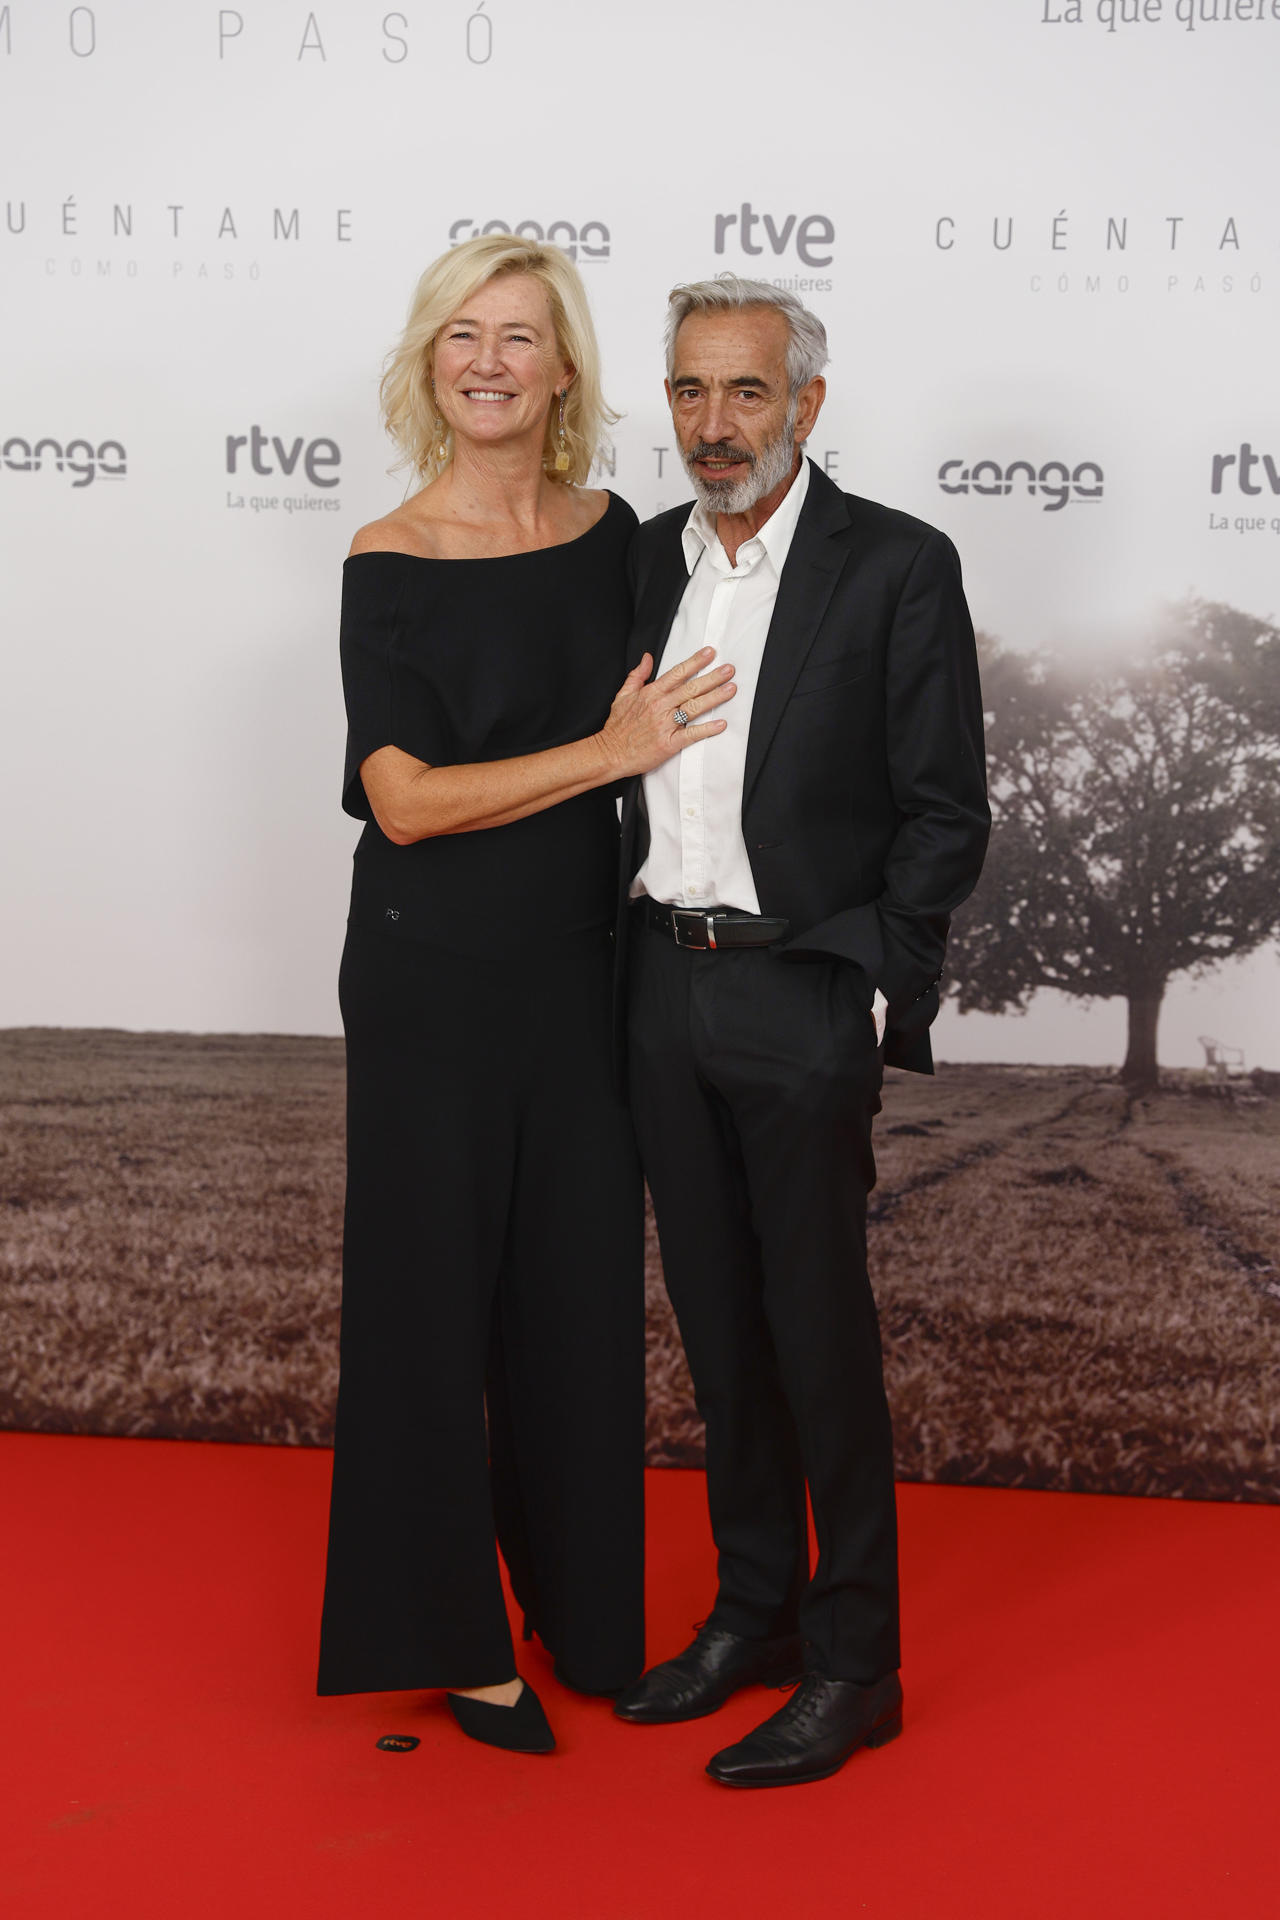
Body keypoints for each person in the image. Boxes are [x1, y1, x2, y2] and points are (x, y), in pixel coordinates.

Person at [316, 235, 737, 1755]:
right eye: (462, 338)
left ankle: (586, 1610)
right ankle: (451, 1631)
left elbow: (712, 666)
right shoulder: (389, 555)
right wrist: (601, 761)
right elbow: (408, 801)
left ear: (565, 372)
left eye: (521, 338)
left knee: (573, 1295)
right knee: (432, 1300)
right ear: (432, 366)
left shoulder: (618, 533)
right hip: (430, 969)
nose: (490, 361)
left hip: (580, 971)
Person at [612, 276, 990, 1786]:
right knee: (716, 1327)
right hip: (658, 986)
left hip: (802, 991)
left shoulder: (896, 564)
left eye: (748, 393)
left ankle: (855, 1661)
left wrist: (871, 987)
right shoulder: (634, 563)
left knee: (819, 1338)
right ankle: (753, 1614)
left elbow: (944, 809)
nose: (716, 426)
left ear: (807, 405)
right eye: (692, 393)